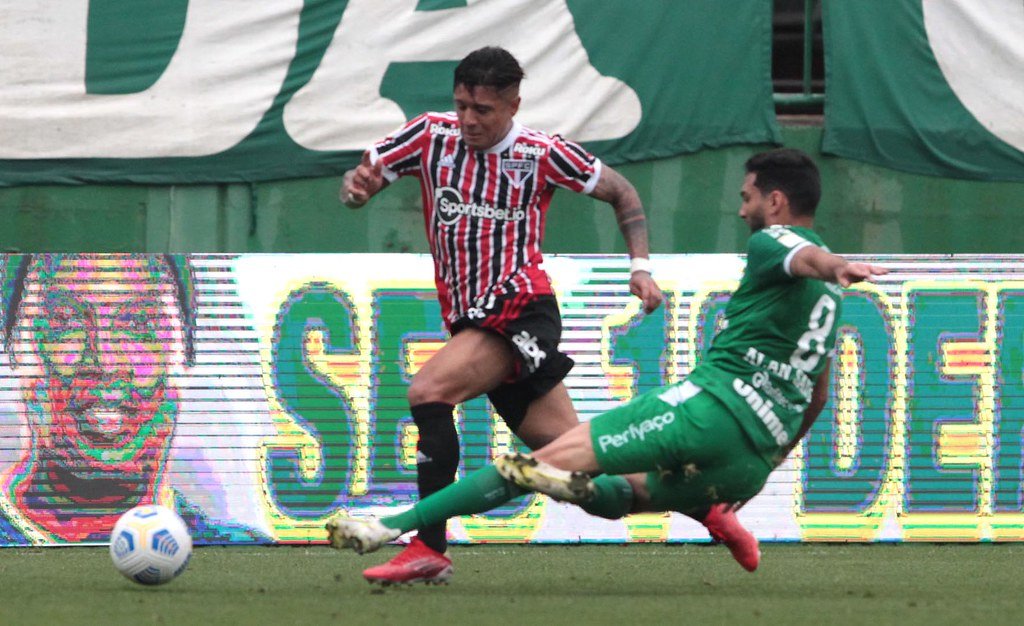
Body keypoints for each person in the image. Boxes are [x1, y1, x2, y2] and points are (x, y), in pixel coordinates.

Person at [326, 148, 889, 575]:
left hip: (710, 411)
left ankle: (391, 528)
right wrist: (769, 460)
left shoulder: (776, 243)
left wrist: (834, 261)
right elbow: (815, 395)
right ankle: (707, 510)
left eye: (746, 198)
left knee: (525, 462)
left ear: (775, 202)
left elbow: (804, 255)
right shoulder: (829, 300)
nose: (742, 210)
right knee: (612, 496)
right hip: (751, 461)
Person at [338, 46, 664, 584]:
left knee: (428, 391)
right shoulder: (429, 135)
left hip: (522, 307)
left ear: (513, 104)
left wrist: (641, 267)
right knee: (574, 458)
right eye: (462, 105)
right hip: (474, 319)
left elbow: (620, 191)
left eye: (483, 110)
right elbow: (364, 178)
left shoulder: (539, 153)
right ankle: (707, 506)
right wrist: (357, 191)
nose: (468, 119)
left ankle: (429, 547)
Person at [0, 254, 264, 544]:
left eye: (139, 322)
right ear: (15, 349)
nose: (106, 362)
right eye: (66, 322)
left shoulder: (233, 550)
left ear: (183, 351)